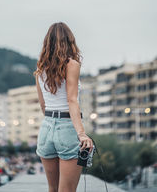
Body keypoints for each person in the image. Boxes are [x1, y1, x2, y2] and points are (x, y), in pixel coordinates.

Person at [34, 22, 93, 192]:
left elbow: (43, 105)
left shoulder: (40, 69)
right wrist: (81, 133)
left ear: (47, 43)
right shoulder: (72, 64)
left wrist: (52, 121)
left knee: (52, 189)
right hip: (67, 128)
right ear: (70, 41)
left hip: (46, 129)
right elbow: (72, 100)